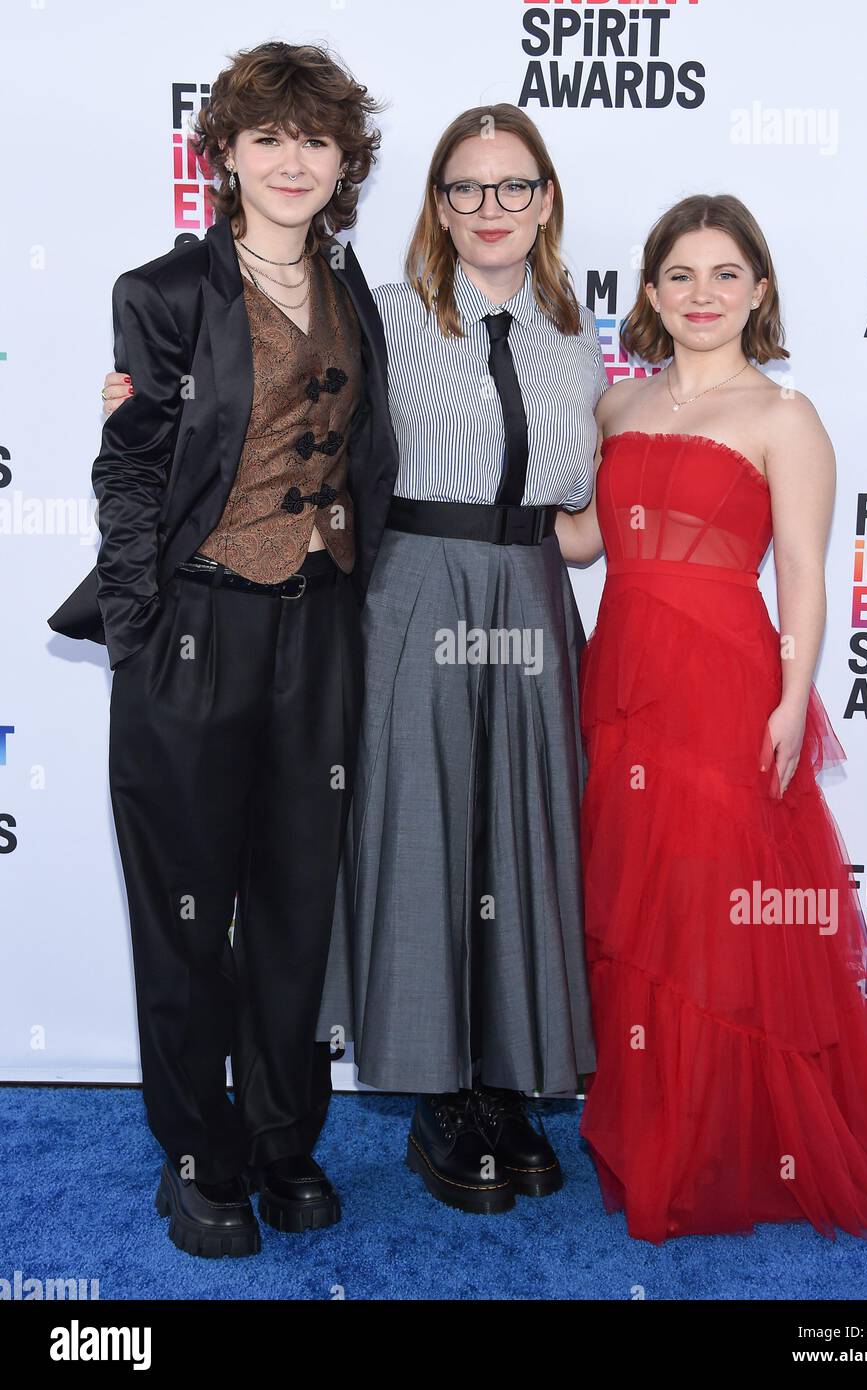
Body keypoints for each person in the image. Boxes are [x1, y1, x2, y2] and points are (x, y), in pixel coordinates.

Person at [48, 41, 397, 1258]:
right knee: (188, 916)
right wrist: (143, 636)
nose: (293, 159)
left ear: (342, 160)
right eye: (268, 139)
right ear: (226, 158)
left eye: (315, 139)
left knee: (298, 903)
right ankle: (197, 1156)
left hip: (322, 632)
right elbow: (131, 470)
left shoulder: (359, 298)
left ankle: (282, 1140)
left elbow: (372, 465)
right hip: (194, 627)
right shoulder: (162, 293)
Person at [556, 193, 867, 1242]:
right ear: (647, 293)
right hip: (623, 685)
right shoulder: (613, 409)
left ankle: (733, 1136)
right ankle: (658, 1131)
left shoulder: (783, 416)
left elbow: (807, 580)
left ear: (757, 291)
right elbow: (583, 543)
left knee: (718, 914)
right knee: (642, 916)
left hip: (726, 688)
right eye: (678, 275)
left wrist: (787, 698)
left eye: (724, 275)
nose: (700, 294)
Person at [314, 105, 606, 1214]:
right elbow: (291, 416)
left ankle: (507, 1080)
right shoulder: (381, 317)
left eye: (512, 186)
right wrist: (154, 406)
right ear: (437, 206)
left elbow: (588, 500)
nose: (491, 209)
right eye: (466, 189)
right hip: (414, 588)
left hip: (531, 594)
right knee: (425, 828)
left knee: (524, 833)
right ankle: (440, 1088)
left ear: (544, 200)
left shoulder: (576, 335)